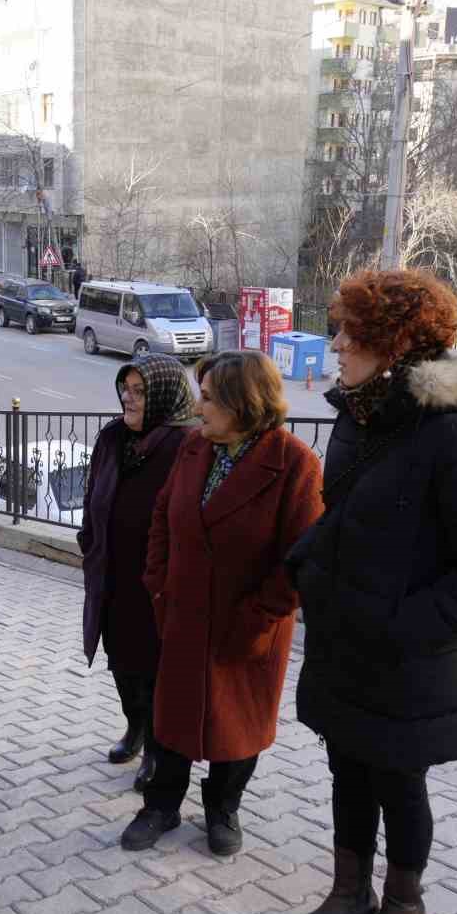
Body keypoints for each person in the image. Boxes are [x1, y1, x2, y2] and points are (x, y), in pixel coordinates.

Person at [286, 269, 457, 914]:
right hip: (345, 646)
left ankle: (404, 903)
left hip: (410, 658)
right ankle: (348, 891)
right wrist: (305, 563)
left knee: (398, 782)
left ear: (391, 344)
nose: (334, 344)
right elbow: (347, 516)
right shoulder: (360, 416)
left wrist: (398, 628)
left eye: (348, 333)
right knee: (346, 772)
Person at [120, 351, 323, 856]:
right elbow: (164, 516)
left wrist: (259, 617)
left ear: (241, 402)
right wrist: (158, 584)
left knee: (238, 726)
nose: (198, 405)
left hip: (248, 624)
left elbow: (300, 557)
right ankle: (161, 806)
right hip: (184, 614)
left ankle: (222, 809)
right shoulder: (195, 446)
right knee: (172, 720)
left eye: (207, 397)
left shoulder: (295, 463)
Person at [78, 354, 195, 791]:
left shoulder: (187, 443)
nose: (128, 397)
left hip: (158, 580)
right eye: (125, 388)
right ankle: (135, 727)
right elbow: (94, 493)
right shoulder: (112, 438)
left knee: (156, 669)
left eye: (139, 390)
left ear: (163, 393)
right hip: (113, 572)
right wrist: (89, 541)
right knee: (121, 662)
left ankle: (157, 752)